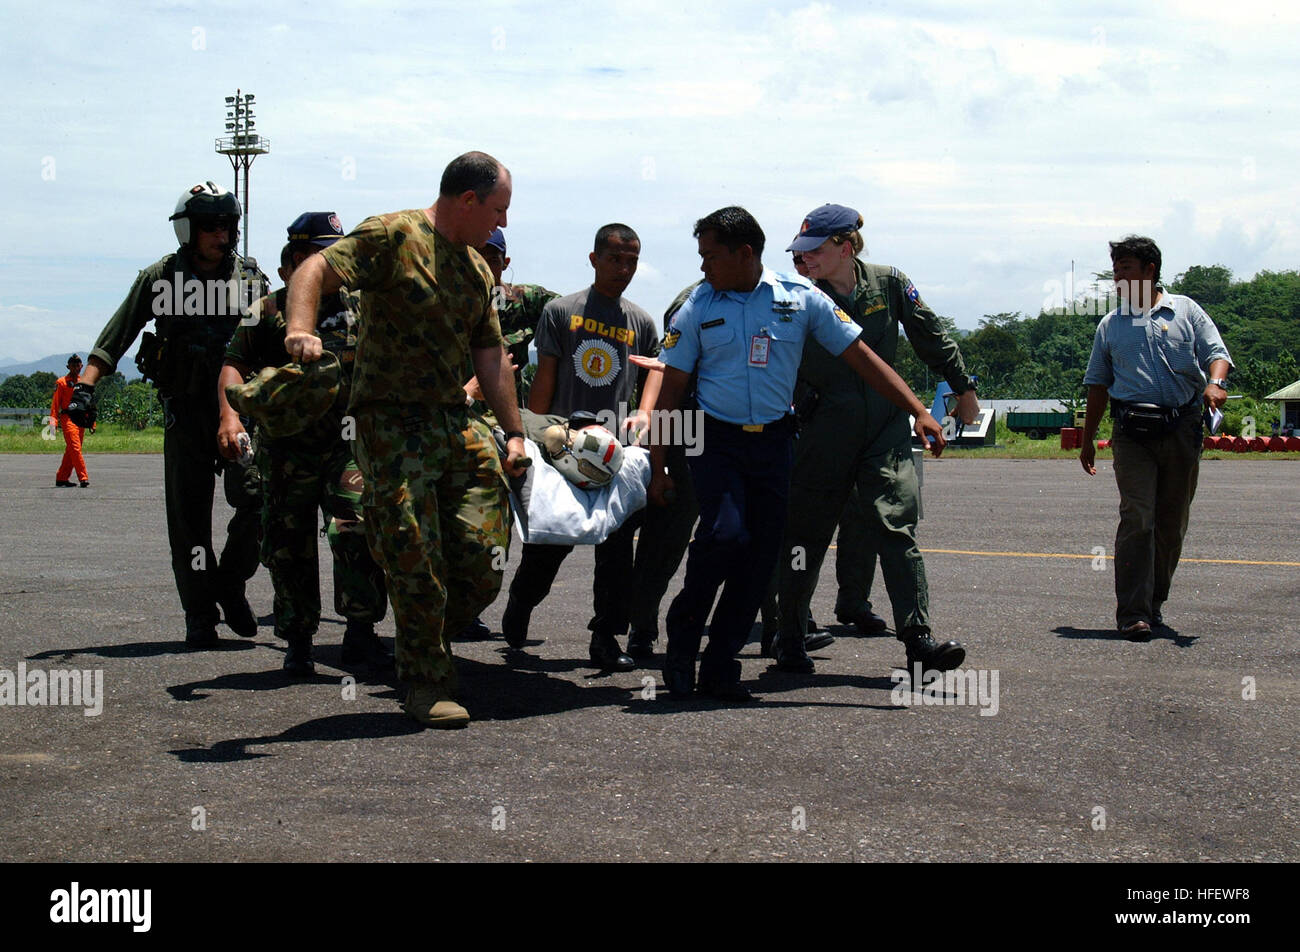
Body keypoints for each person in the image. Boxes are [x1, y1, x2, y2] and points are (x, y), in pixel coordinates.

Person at [649, 206, 944, 702]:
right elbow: (671, 390)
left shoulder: (800, 299)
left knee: (761, 555)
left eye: (710, 256)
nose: (703, 268)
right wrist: (658, 466)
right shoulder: (696, 307)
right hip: (715, 439)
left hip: (774, 441)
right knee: (723, 535)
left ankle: (720, 667)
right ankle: (682, 648)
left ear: (745, 254)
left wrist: (918, 410)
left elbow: (864, 358)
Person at [283, 151, 528, 729]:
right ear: (467, 201)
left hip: (453, 421)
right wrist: (299, 328)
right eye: (499, 210)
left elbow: (490, 357)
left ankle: (423, 631)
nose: (503, 223)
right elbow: (314, 271)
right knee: (415, 550)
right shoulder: (392, 235)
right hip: (388, 424)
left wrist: (515, 433)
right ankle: (426, 681)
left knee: (481, 558)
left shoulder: (475, 269)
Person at [775, 204, 976, 675]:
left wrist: (963, 385)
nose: (803, 260)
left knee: (895, 524)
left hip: (884, 428)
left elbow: (929, 333)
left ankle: (918, 638)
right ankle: (788, 634)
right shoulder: (798, 295)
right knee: (806, 535)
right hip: (822, 429)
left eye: (814, 250)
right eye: (799, 252)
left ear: (846, 247)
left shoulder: (888, 283)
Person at [65, 182, 266, 647]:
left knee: (259, 502)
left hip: (238, 415)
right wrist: (84, 389)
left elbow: (271, 342)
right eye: (209, 226)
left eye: (227, 225)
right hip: (185, 414)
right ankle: (200, 614)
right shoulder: (161, 278)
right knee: (189, 520)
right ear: (188, 231)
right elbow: (117, 334)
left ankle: (230, 584)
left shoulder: (250, 282)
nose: (221, 234)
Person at [218, 213, 390, 676]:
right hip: (285, 448)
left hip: (348, 445)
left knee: (356, 527)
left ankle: (361, 634)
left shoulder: (364, 305)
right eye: (324, 251)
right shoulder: (269, 310)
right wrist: (230, 417)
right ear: (298, 257)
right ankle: (298, 642)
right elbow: (233, 363)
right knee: (289, 543)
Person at [499, 224, 660, 671]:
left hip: (615, 455)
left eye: (631, 261)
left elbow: (654, 376)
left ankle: (606, 637)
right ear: (594, 259)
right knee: (550, 545)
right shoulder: (560, 311)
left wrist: (644, 421)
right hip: (563, 446)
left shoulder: (642, 322)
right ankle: (521, 602)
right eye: (614, 259)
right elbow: (545, 379)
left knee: (616, 552)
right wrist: (531, 433)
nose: (623, 269)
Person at [1080, 235, 1231, 639]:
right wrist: (1087, 438)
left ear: (1150, 270)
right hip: (1131, 434)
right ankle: (1132, 613)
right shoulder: (1110, 325)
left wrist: (1215, 383)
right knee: (1137, 517)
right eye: (1115, 272)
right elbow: (1097, 384)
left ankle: (1155, 603)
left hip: (1182, 428)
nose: (1117, 279)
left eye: (1125, 270)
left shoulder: (1186, 311)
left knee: (1171, 522)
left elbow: (1217, 354)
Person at [457, 228, 559, 642]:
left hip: (504, 435)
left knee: (494, 529)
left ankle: (480, 607)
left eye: (492, 257)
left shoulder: (524, 302)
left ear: (505, 261)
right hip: (449, 426)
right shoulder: (443, 303)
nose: (484, 263)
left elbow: (573, 315)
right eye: (475, 254)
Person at [51, 355, 90, 487]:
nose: (75, 367)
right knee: (75, 447)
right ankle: (83, 477)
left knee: (71, 450)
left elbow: (88, 403)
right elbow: (55, 405)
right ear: (68, 367)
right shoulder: (61, 382)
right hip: (68, 418)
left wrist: (92, 422)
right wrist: (53, 423)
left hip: (80, 418)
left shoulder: (83, 382)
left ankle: (62, 477)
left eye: (78, 365)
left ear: (81, 366)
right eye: (73, 365)